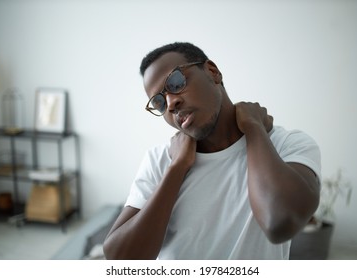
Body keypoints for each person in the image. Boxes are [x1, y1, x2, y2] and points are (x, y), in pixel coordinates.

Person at [103, 42, 321, 260]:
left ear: (212, 72)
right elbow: (118, 258)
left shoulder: (288, 145)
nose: (171, 103)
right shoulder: (160, 160)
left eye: (176, 82)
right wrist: (177, 168)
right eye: (159, 103)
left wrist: (254, 129)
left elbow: (280, 222)